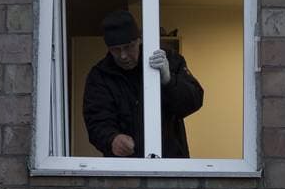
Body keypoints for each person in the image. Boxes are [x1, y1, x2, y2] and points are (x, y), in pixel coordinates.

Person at [82, 9, 203, 159]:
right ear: (108, 49)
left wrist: (168, 80)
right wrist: (112, 139)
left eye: (128, 47)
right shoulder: (100, 76)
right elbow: (96, 121)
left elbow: (194, 100)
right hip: (125, 170)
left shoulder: (169, 60)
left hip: (170, 164)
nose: (123, 56)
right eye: (116, 50)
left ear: (139, 40)